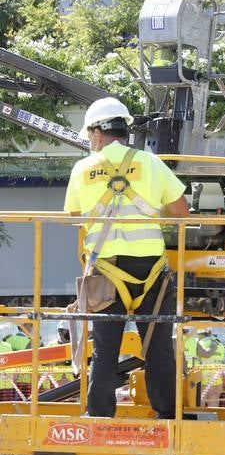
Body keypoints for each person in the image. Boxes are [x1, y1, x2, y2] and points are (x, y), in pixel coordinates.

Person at [64, 96, 189, 419]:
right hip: (151, 271)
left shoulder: (83, 168)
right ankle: (168, 415)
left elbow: (75, 217)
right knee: (158, 346)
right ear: (124, 130)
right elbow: (180, 211)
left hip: (106, 270)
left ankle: (100, 414)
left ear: (97, 132)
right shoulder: (150, 163)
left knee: (106, 348)